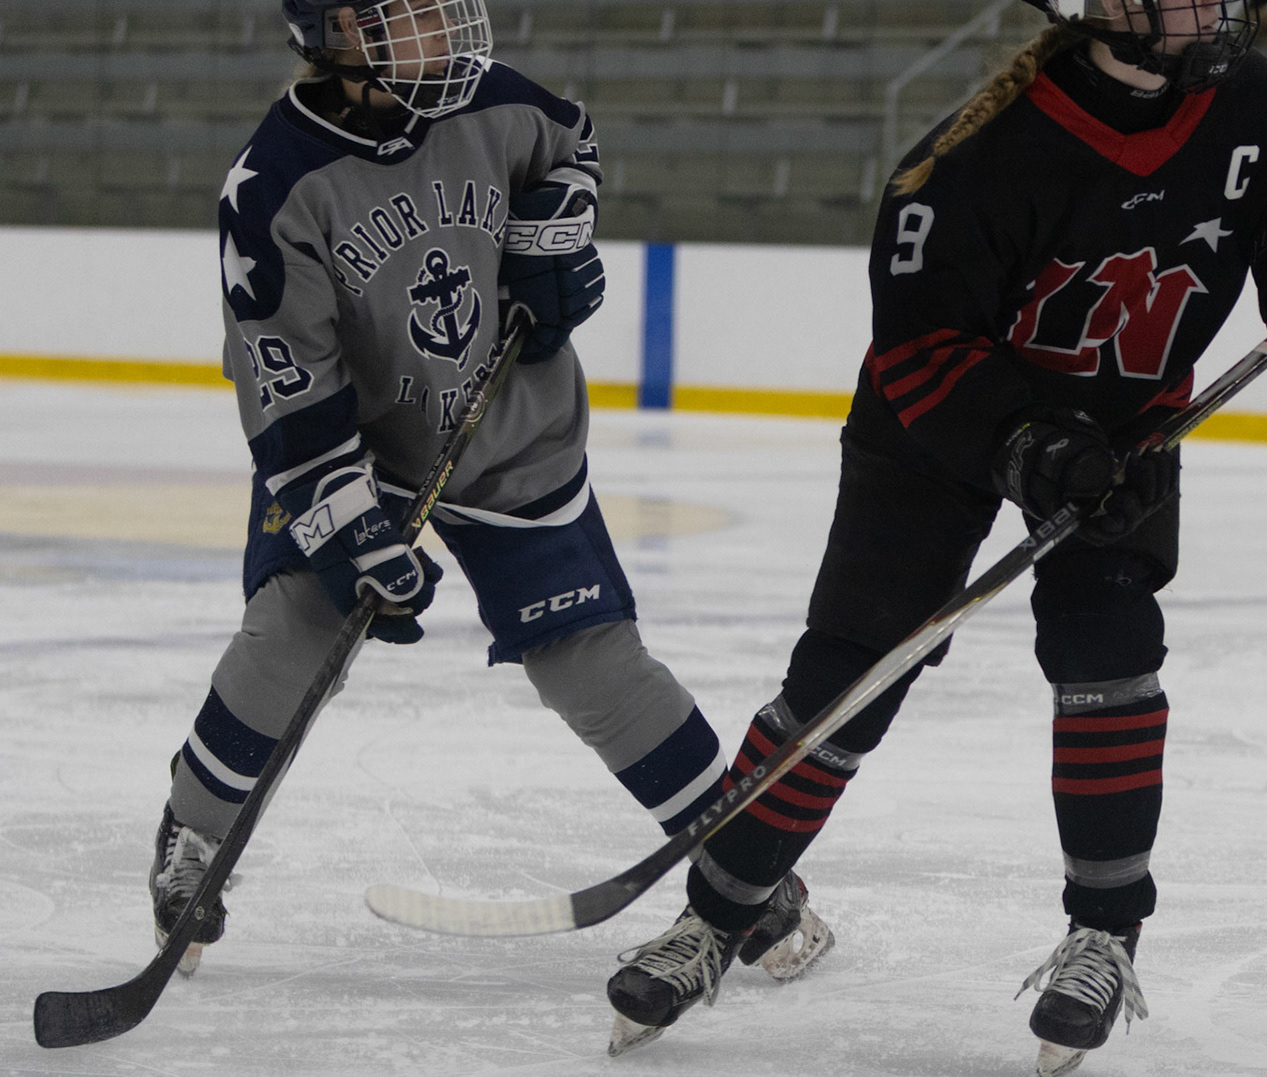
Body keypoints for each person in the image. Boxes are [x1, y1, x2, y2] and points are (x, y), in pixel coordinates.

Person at [600, 0, 1267, 1070]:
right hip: (938, 431)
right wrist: (1033, 448)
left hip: (1127, 426)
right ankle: (716, 917)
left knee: (1109, 653)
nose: (1215, 8)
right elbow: (921, 352)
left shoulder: (1258, 102)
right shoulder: (967, 166)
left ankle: (1103, 935)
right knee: (852, 673)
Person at [148, 0, 832, 989]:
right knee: (294, 632)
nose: (446, 32)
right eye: (408, 16)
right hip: (363, 452)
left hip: (513, 431)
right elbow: (285, 377)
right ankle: (194, 833)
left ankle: (742, 870)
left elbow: (572, 145)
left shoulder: (494, 101)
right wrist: (348, 525)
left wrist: (554, 234)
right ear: (334, 36)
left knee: (591, 660)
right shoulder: (276, 187)